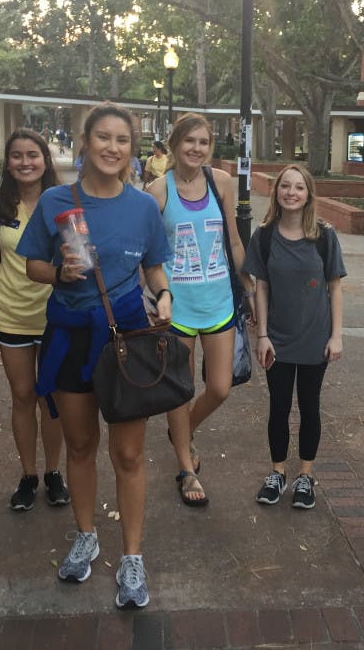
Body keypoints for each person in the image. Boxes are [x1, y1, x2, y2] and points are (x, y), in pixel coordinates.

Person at [16, 102, 173, 609]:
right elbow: (31, 266)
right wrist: (59, 274)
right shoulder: (56, 202)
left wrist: (164, 295)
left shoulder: (145, 207)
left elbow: (155, 267)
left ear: (133, 148)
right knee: (80, 447)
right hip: (69, 334)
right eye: (103, 137)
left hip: (125, 334)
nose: (112, 147)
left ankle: (132, 557)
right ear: (85, 142)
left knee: (127, 452)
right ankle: (85, 535)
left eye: (122, 140)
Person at [145, 113, 253, 507]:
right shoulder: (157, 191)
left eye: (204, 142)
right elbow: (150, 256)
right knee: (181, 389)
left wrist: (249, 284)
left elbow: (235, 242)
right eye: (189, 141)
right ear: (174, 144)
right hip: (177, 309)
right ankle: (186, 468)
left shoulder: (220, 182)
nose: (196, 148)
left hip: (219, 302)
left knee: (221, 387)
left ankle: (182, 430)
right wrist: (158, 296)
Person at [0, 128, 69, 512]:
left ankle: (54, 472)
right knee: (23, 396)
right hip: (12, 316)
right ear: (7, 162)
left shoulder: (63, 203)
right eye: (17, 155)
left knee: (51, 397)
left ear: (46, 159)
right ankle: (28, 475)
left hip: (58, 315)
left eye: (33, 155)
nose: (25, 162)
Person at [243, 164, 346, 510]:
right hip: (278, 340)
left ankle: (305, 475)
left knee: (310, 407)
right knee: (278, 407)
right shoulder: (265, 236)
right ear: (276, 193)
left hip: (316, 339)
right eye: (285, 186)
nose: (291, 192)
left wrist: (336, 336)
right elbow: (261, 286)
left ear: (308, 194)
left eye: (298, 187)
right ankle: (277, 473)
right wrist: (263, 335)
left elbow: (334, 287)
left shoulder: (324, 236)